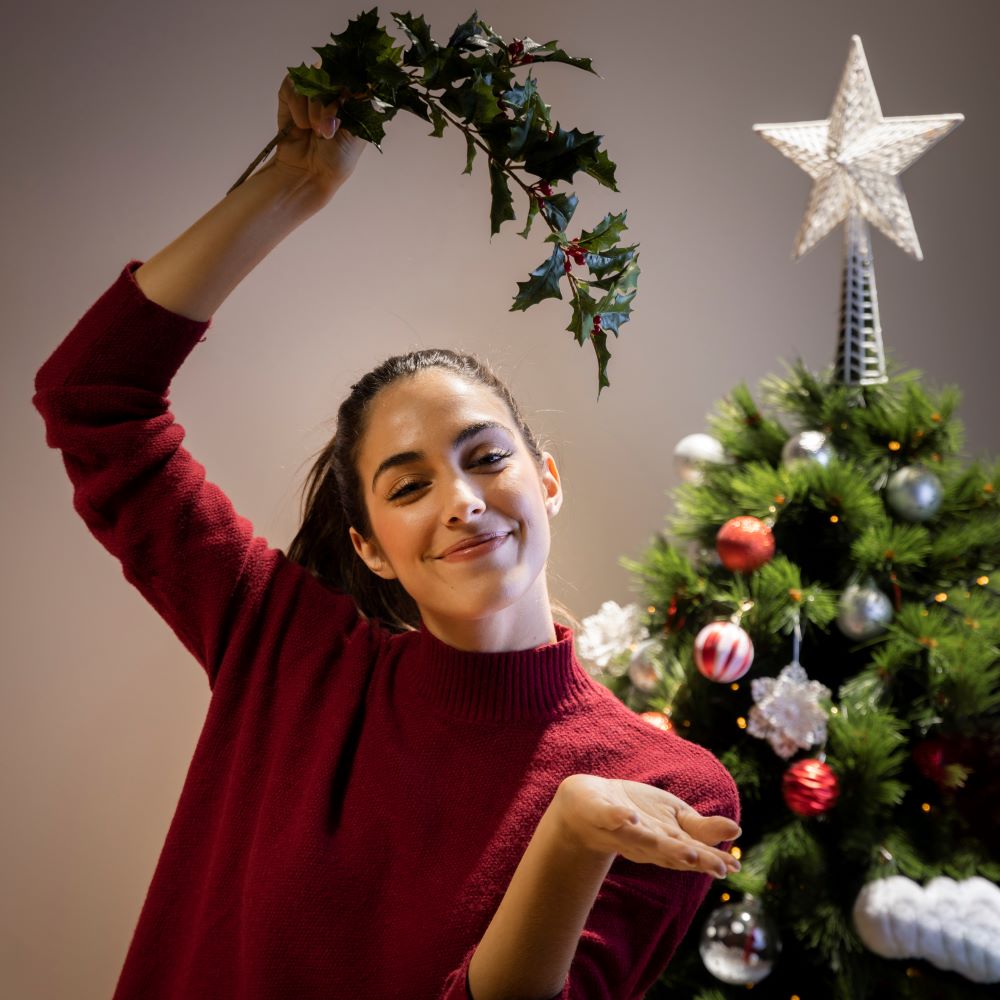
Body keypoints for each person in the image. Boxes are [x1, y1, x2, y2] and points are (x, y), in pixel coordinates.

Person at [33, 73, 740, 999]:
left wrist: (568, 833)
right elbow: (93, 401)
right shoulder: (284, 651)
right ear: (368, 545)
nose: (460, 500)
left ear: (547, 479)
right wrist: (288, 187)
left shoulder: (659, 791)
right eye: (408, 485)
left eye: (486, 457)